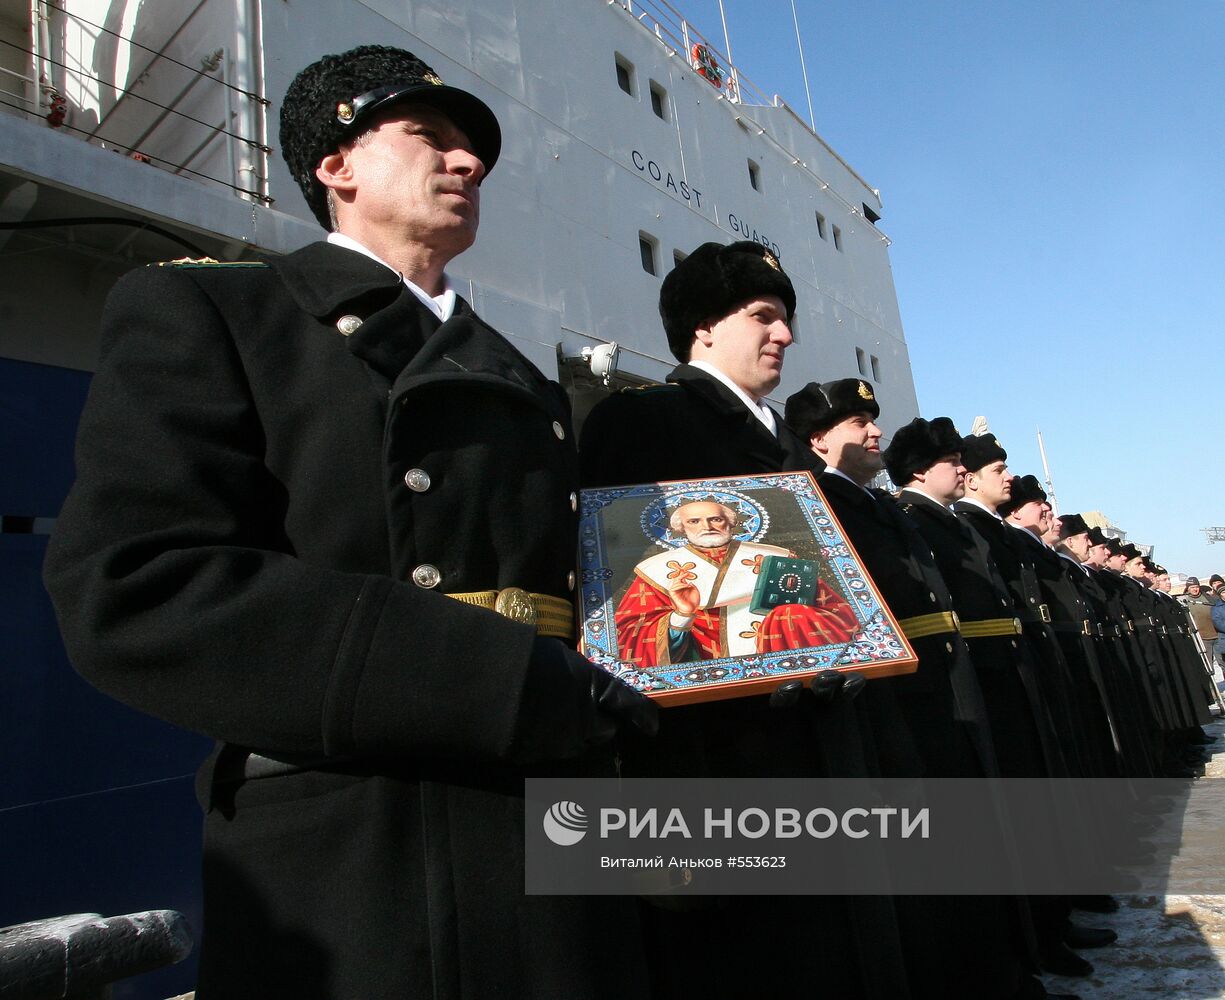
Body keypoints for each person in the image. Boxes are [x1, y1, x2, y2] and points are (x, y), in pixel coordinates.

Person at [42, 45, 657, 1000]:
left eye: (473, 150)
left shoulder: (520, 375)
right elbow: (138, 586)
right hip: (362, 846)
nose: (469, 162)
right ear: (336, 166)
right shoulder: (216, 309)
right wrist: (496, 679)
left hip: (548, 819)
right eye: (430, 136)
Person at [613, 498, 857, 666]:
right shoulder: (657, 571)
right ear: (680, 529)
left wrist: (787, 618)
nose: (707, 526)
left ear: (731, 523)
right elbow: (633, 636)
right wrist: (682, 615)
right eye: (694, 521)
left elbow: (834, 611)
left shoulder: (778, 558)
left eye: (715, 519)